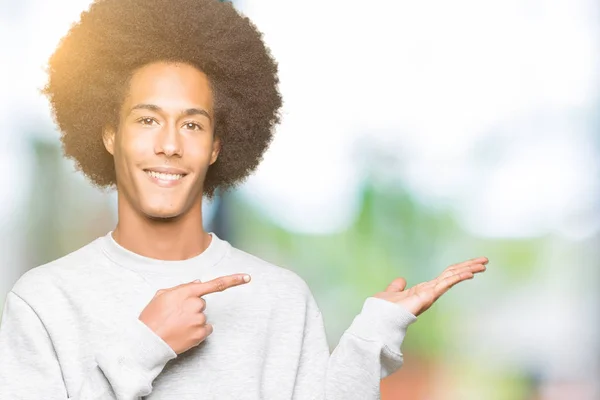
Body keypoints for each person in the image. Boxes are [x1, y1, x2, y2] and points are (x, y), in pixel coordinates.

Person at [0, 0, 488, 398]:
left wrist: (371, 337)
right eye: (147, 120)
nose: (169, 144)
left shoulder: (282, 298)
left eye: (191, 124)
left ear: (216, 146)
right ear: (108, 133)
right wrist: (142, 349)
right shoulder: (44, 302)